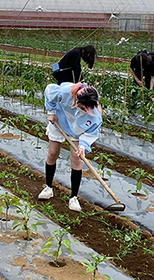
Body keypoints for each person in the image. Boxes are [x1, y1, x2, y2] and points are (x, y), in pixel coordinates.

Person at [37, 82, 102, 212]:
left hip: (77, 130)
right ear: (77, 100)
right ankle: (48, 187)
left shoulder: (94, 116)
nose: (83, 109)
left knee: (76, 159)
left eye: (85, 108)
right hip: (59, 120)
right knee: (52, 153)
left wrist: (83, 146)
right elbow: (49, 91)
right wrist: (51, 112)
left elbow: (90, 133)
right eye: (81, 106)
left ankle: (74, 197)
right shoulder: (65, 91)